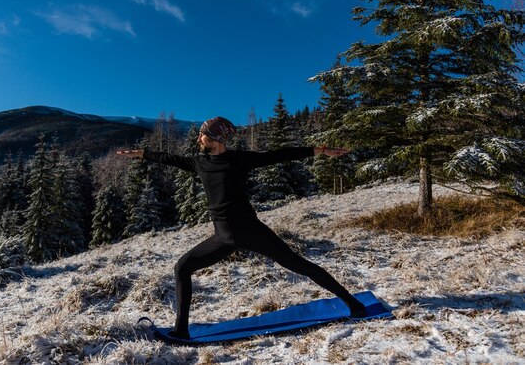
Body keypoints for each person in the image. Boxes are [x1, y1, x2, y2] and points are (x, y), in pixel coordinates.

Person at [117, 116, 366, 340]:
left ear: (215, 138)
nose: (198, 138)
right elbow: (168, 159)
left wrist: (320, 150)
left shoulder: (239, 160)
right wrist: (140, 154)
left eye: (202, 134)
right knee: (182, 267)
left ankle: (354, 304)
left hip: (250, 231)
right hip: (222, 237)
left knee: (299, 265)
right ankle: (181, 329)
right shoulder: (199, 162)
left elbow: (279, 154)